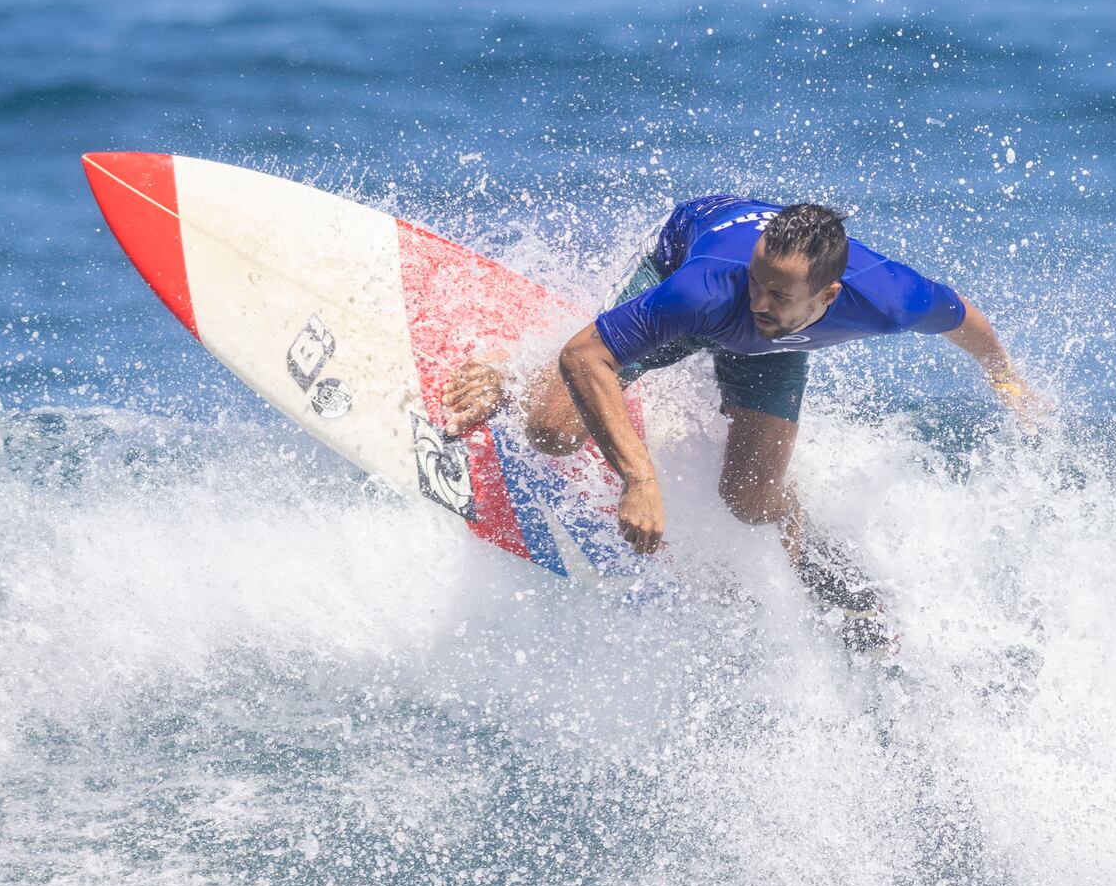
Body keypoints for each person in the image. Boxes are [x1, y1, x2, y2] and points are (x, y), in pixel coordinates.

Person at [443, 196, 1042, 647]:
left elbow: (963, 318)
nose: (759, 302)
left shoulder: (889, 297)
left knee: (751, 501)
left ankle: (806, 549)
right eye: (757, 282)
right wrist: (638, 478)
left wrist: (1006, 379)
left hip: (777, 352)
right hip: (689, 264)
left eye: (779, 295)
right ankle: (512, 368)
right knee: (552, 431)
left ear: (829, 297)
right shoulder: (706, 289)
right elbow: (584, 356)